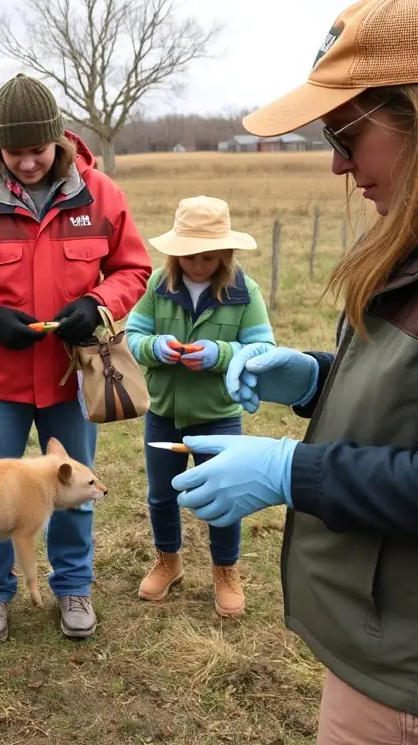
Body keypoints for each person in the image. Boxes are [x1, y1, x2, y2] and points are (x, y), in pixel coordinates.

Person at [169, 0, 418, 741]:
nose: (339, 166)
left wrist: (289, 472)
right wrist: (315, 379)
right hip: (398, 653)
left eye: (346, 134)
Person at [0, 73, 151, 644]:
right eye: (14, 152)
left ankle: (73, 584)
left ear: (59, 141)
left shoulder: (101, 196)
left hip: (70, 379)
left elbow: (133, 269)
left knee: (73, 485)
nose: (26, 163)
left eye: (37, 150)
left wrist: (97, 302)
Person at [125, 195, 273, 618]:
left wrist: (220, 354)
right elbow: (132, 336)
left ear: (225, 253)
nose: (196, 265)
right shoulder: (158, 285)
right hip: (163, 415)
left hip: (219, 417)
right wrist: (155, 347)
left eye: (207, 257)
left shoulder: (246, 293)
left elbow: (264, 349)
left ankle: (226, 570)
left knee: (223, 496)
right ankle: (168, 561)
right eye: (188, 256)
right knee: (161, 495)